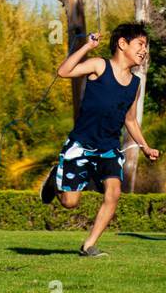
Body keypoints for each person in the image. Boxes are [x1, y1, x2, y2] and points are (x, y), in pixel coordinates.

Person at [39, 22, 159, 256]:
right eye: (140, 44)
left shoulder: (136, 83)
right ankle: (56, 180)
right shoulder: (99, 65)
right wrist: (87, 47)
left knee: (113, 193)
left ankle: (88, 245)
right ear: (122, 44)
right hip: (81, 144)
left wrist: (145, 146)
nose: (144, 50)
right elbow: (63, 72)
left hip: (109, 148)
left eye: (146, 46)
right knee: (70, 203)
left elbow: (131, 120)